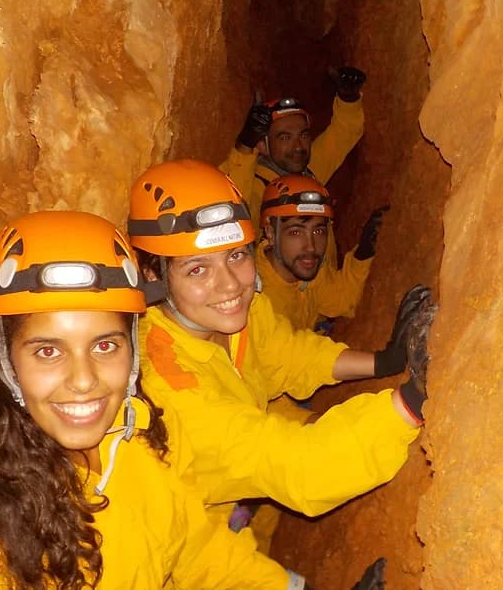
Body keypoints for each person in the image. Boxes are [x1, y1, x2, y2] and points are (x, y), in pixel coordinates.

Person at [0, 211, 311, 589]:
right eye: (48, 351)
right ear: (7, 360)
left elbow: (198, 551)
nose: (84, 381)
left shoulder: (137, 444)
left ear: (133, 349)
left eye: (105, 346)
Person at [126, 160, 436, 536]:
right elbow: (299, 468)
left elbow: (291, 355)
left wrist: (384, 361)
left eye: (236, 256)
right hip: (194, 547)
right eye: (197, 269)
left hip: (245, 499)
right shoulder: (167, 387)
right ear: (153, 275)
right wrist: (410, 401)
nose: (229, 286)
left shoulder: (242, 312)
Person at [219, 66, 368, 231]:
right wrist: (246, 144)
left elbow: (343, 135)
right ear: (262, 145)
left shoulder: (307, 171)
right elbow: (232, 207)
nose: (298, 147)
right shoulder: (259, 188)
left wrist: (348, 99)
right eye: (285, 138)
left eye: (303, 135)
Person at [257, 174, 389, 332]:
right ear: (271, 233)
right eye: (296, 232)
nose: (311, 247)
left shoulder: (303, 268)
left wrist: (363, 253)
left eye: (318, 231)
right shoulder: (258, 302)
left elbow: (339, 299)